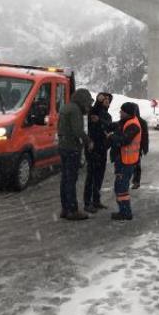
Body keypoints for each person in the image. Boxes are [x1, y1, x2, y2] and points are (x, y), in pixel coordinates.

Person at [57, 88, 94, 220]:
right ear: (82, 100)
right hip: (72, 147)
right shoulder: (75, 110)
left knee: (65, 179)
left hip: (63, 146)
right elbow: (78, 130)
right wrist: (88, 141)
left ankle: (65, 209)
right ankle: (73, 210)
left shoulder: (66, 107)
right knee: (71, 179)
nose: (88, 106)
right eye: (87, 103)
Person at [107, 102, 141, 221]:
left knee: (121, 188)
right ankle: (123, 211)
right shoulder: (127, 121)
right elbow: (116, 125)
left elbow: (124, 140)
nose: (120, 113)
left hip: (126, 161)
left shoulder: (133, 125)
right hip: (123, 160)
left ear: (127, 113)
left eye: (122, 111)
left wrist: (111, 137)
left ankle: (125, 212)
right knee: (119, 187)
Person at [83, 92, 113, 213]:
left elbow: (109, 127)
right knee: (91, 176)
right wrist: (97, 100)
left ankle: (96, 200)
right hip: (92, 148)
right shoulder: (93, 112)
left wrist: (101, 121)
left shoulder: (107, 115)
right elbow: (92, 120)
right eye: (104, 99)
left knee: (99, 176)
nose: (106, 101)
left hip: (102, 149)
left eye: (108, 99)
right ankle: (87, 202)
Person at [131, 103, 149, 190]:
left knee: (136, 165)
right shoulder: (127, 120)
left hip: (137, 147)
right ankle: (131, 180)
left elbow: (145, 136)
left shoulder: (142, 122)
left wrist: (145, 148)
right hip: (127, 147)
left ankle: (136, 181)